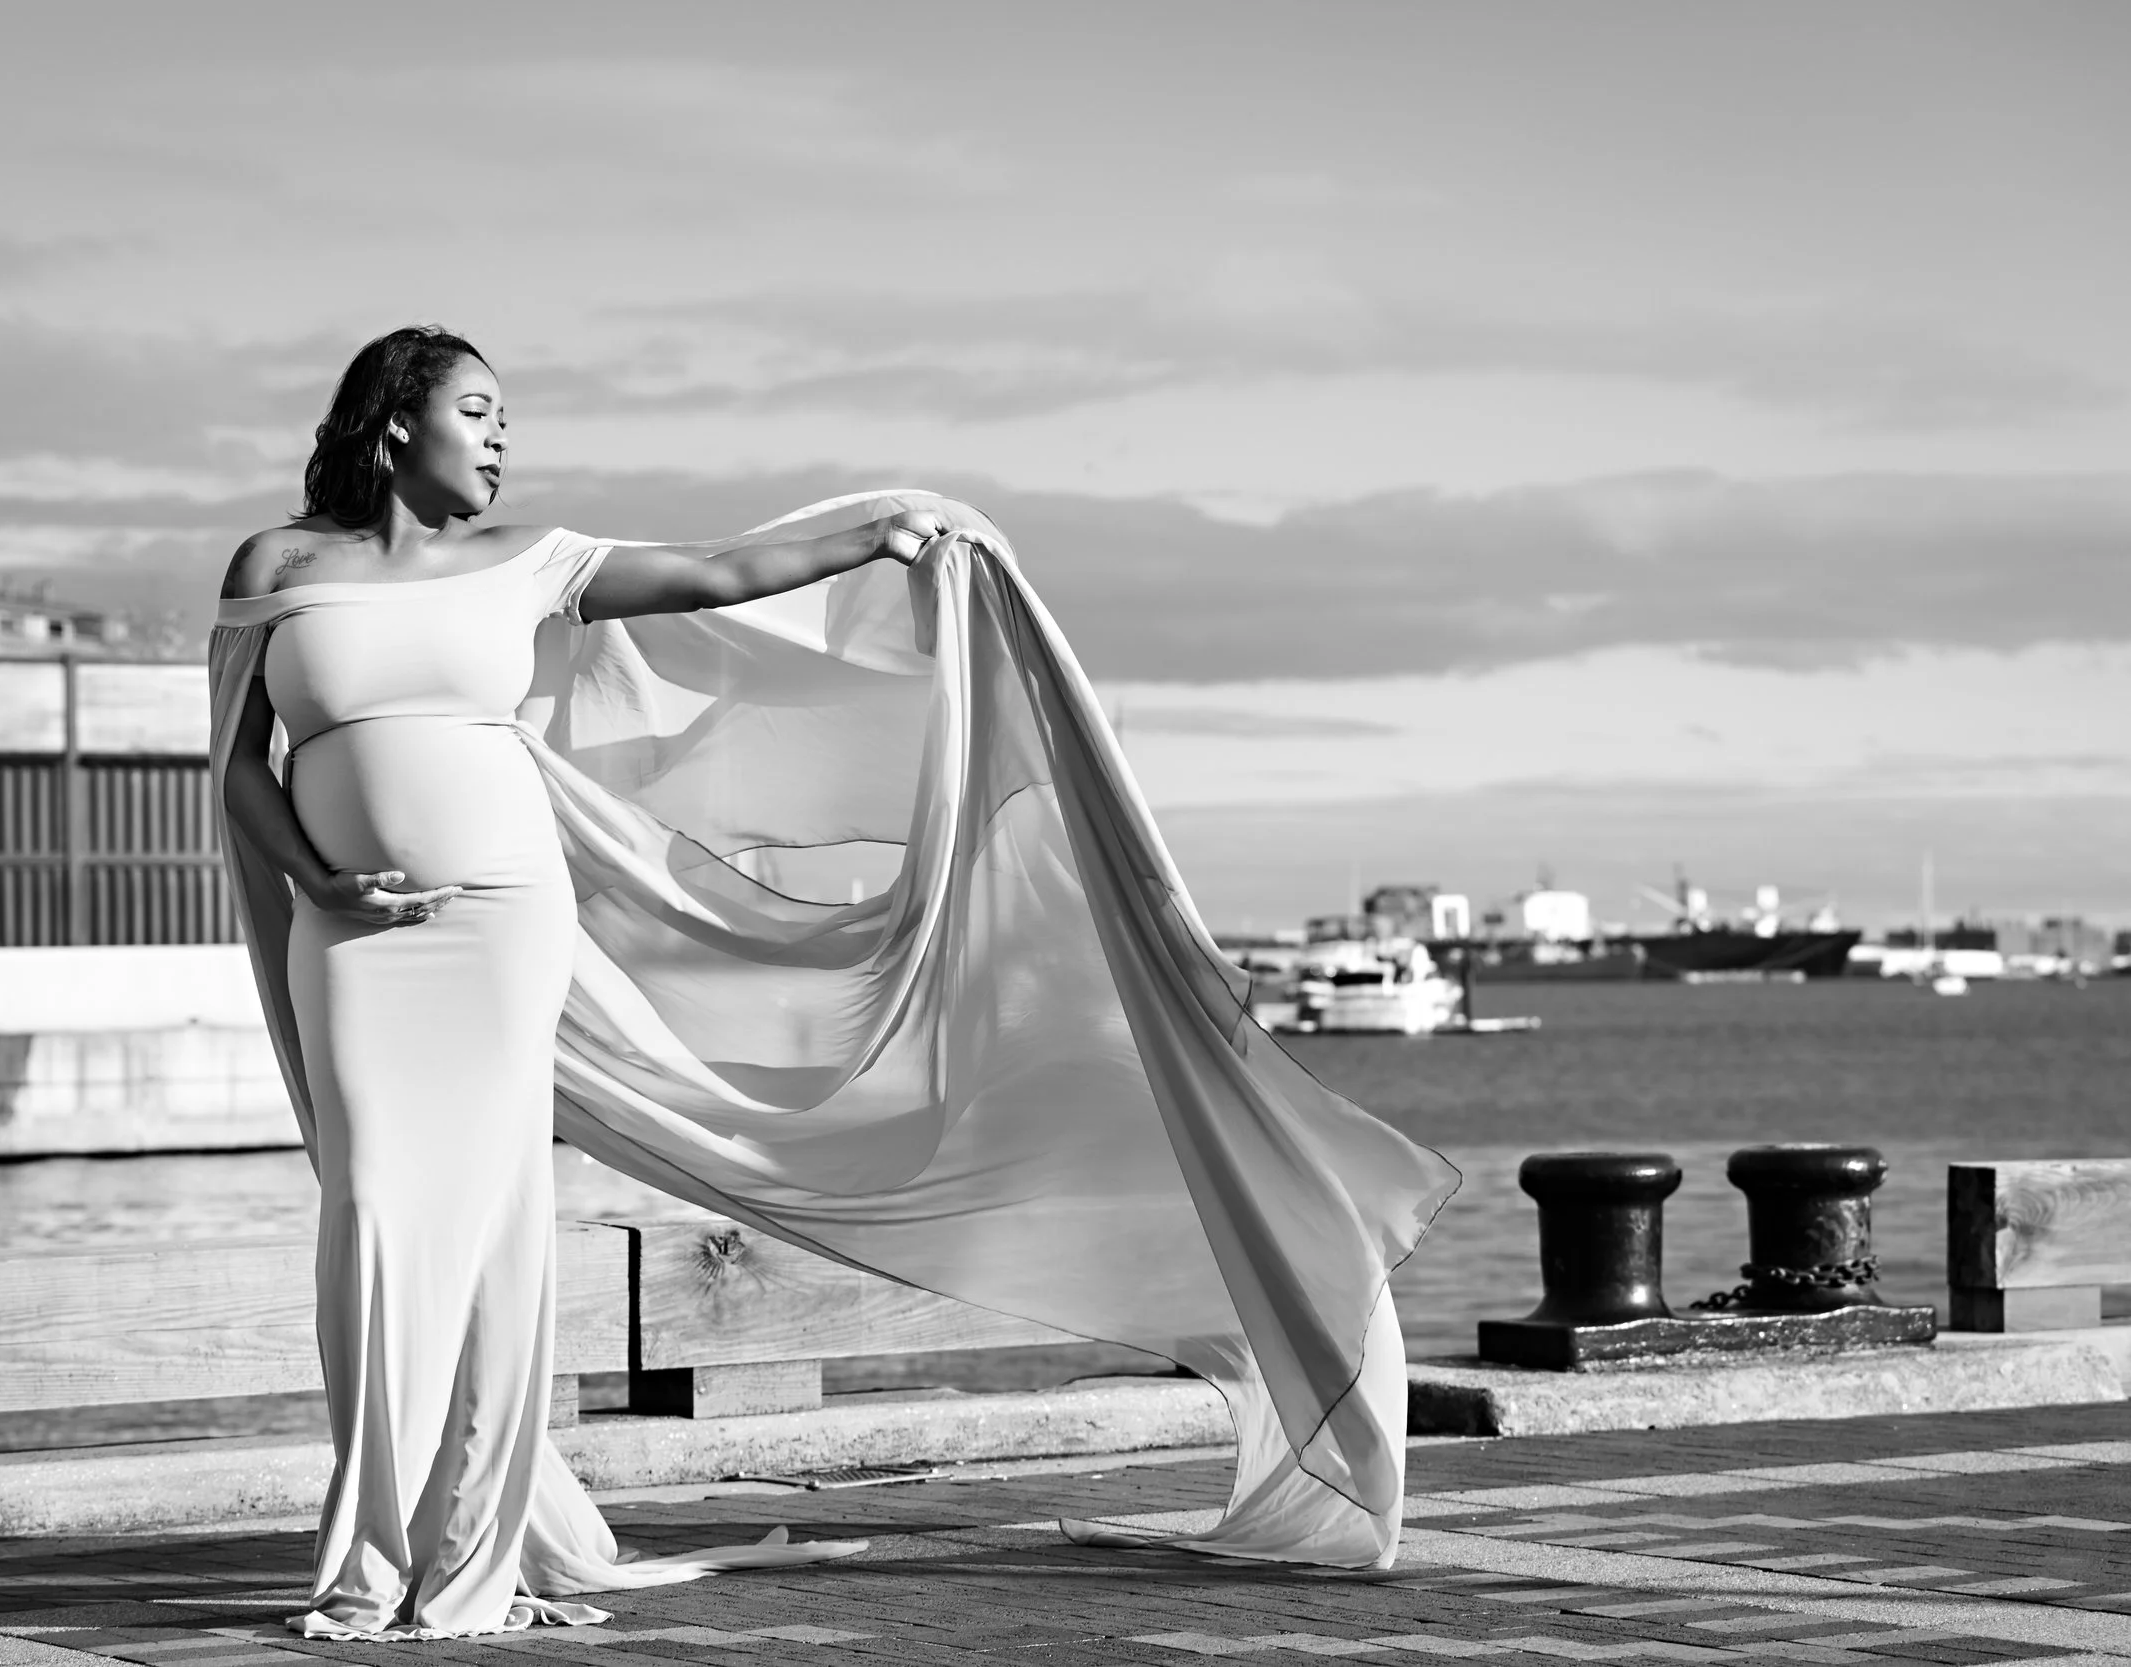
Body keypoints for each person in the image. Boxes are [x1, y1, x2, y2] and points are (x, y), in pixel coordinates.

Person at [210, 326, 1457, 1641]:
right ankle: (365, 1560)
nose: (503, 436)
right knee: (371, 1213)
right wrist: (324, 883)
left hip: (508, 919)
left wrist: (881, 531)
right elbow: (242, 765)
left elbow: (717, 571)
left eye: (506, 415)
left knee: (496, 1232)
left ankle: (457, 1563)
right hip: (351, 937)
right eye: (478, 409)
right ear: (395, 421)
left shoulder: (533, 561)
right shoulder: (279, 567)